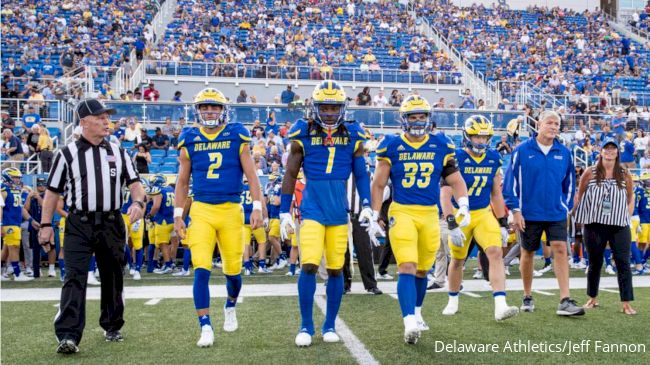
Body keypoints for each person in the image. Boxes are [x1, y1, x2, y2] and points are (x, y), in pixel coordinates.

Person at [38, 98, 145, 354]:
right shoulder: (66, 154)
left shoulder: (119, 152)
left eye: (107, 117)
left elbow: (135, 184)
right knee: (74, 277)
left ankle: (112, 324)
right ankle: (68, 335)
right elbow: (52, 193)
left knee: (113, 276)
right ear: (84, 122)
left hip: (111, 222)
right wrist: (45, 224)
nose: (106, 121)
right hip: (79, 223)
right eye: (100, 117)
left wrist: (139, 203)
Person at [279, 80, 374, 347]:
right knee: (308, 264)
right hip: (312, 209)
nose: (330, 113)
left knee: (336, 269)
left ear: (342, 108)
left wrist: (366, 204)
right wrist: (284, 210)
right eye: (325, 107)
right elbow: (290, 172)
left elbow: (361, 173)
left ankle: (329, 324)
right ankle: (306, 325)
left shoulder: (354, 132)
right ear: (315, 107)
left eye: (334, 108)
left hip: (338, 211)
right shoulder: (303, 132)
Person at [371, 94, 470, 344]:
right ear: (403, 120)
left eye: (422, 116)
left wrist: (464, 205)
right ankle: (408, 322)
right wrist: (374, 214)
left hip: (429, 213)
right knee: (407, 265)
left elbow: (456, 180)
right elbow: (379, 182)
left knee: (423, 270)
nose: (417, 121)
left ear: (429, 118)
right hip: (402, 210)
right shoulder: (391, 145)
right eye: (413, 117)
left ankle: (416, 313)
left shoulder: (441, 144)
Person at [173, 88, 263, 348]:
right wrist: (179, 214)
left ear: (224, 110)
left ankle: (230, 304)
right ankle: (205, 326)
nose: (209, 111)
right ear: (197, 110)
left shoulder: (236, 134)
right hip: (201, 209)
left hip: (231, 210)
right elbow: (182, 181)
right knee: (200, 268)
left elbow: (252, 175)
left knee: (233, 272)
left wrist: (257, 206)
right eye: (204, 107)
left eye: (214, 107)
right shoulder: (189, 137)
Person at [503, 110, 584, 316]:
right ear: (539, 124)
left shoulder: (564, 153)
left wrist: (565, 207)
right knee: (528, 253)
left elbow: (570, 185)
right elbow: (509, 184)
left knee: (560, 249)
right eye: (550, 123)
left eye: (557, 124)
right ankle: (527, 295)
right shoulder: (522, 150)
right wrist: (516, 210)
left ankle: (565, 300)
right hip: (528, 213)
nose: (554, 127)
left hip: (556, 212)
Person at [441, 115, 519, 321]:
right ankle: (453, 299)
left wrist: (502, 222)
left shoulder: (494, 158)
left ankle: (500, 304)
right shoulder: (455, 157)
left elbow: (496, 193)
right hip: (461, 214)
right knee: (457, 260)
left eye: (485, 138)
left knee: (494, 253)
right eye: (477, 137)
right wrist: (451, 222)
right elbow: (446, 193)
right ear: (467, 136)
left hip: (483, 213)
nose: (481, 142)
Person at [573, 138, 636, 315]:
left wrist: (627, 217)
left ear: (617, 152)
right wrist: (579, 216)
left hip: (619, 225)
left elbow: (630, 198)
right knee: (594, 262)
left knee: (623, 263)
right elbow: (580, 194)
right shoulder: (590, 172)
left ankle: (626, 303)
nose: (609, 151)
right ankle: (592, 298)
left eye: (613, 148)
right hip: (594, 224)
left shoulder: (624, 173)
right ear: (601, 151)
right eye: (606, 148)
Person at [344, 172, 382, 294]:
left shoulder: (366, 174)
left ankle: (371, 285)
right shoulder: (340, 172)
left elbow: (375, 194)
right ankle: (344, 284)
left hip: (361, 217)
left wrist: (375, 215)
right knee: (343, 251)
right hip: (342, 217)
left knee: (365, 250)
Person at [1, 168, 33, 281]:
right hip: (8, 223)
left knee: (6, 250)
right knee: (14, 247)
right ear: (8, 177)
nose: (17, 180)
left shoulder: (15, 189)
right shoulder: (3, 189)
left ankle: (2, 273)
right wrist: (0, 224)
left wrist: (31, 220)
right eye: (15, 177)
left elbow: (21, 208)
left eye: (18, 177)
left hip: (16, 222)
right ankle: (17, 274)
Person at [148, 174, 175, 274]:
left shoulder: (158, 191)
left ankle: (167, 265)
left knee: (162, 244)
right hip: (172, 219)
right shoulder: (170, 189)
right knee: (170, 243)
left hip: (163, 221)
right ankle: (170, 263)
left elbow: (156, 206)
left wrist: (149, 215)